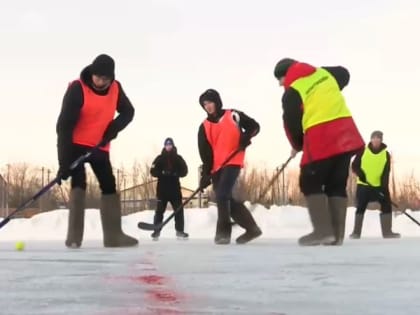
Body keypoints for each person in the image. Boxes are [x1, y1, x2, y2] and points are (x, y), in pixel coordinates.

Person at [273, 58, 365, 246]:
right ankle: (336, 236)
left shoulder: (292, 91)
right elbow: (344, 73)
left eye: (280, 79)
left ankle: (323, 231)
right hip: (345, 133)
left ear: (286, 74)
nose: (280, 84)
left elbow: (291, 122)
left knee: (309, 181)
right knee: (336, 184)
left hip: (320, 136)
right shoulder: (324, 73)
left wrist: (297, 144)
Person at [56, 54, 138, 248]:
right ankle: (74, 238)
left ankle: (113, 236)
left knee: (109, 185)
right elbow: (64, 126)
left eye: (106, 79)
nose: (101, 82)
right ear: (92, 73)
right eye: (98, 77)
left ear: (112, 78)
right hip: (75, 144)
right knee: (79, 184)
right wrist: (64, 162)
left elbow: (128, 112)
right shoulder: (78, 89)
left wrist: (114, 128)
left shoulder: (116, 88)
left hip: (99, 146)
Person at [198, 89, 262, 245]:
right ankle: (252, 229)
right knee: (225, 198)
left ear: (217, 101)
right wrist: (206, 175)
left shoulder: (233, 115)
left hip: (233, 160)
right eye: (205, 104)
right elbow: (205, 154)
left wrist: (246, 137)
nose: (208, 106)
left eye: (210, 102)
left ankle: (223, 234)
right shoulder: (204, 127)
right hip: (216, 166)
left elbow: (254, 126)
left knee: (222, 194)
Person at [350, 130, 400, 239]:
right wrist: (360, 174)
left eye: (378, 138)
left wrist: (384, 188)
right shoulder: (363, 151)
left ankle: (387, 232)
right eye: (374, 137)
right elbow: (354, 165)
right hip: (364, 185)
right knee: (360, 207)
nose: (376, 140)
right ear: (371, 139)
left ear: (381, 140)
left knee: (386, 205)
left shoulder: (385, 154)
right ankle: (356, 233)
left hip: (379, 186)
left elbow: (386, 172)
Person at [150, 137, 189, 240]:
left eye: (170, 144)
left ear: (173, 145)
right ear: (164, 146)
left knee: (179, 211)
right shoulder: (159, 158)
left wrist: (176, 173)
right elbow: (152, 171)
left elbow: (185, 171)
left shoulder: (178, 158)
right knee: (159, 212)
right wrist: (161, 173)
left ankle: (179, 231)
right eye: (167, 145)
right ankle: (156, 231)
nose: (168, 146)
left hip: (175, 190)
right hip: (162, 191)